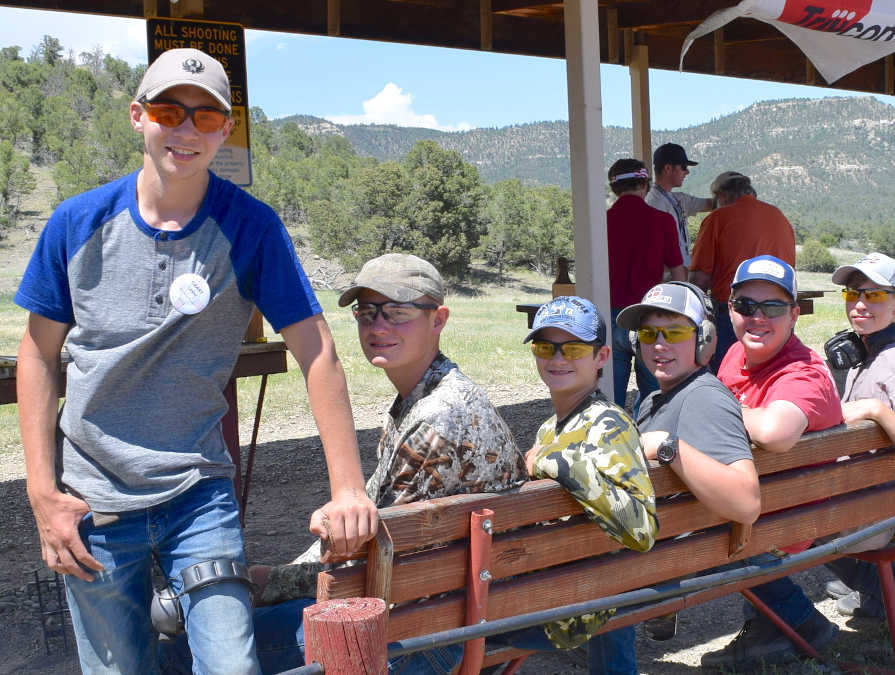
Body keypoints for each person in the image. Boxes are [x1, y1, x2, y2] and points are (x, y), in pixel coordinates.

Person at [14, 48, 376, 674]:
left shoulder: (250, 228)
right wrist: (43, 492)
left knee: (231, 664)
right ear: (138, 117)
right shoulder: (76, 224)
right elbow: (38, 355)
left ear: (225, 130)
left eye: (207, 118)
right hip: (93, 498)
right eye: (169, 111)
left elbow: (318, 352)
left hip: (197, 492)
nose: (186, 131)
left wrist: (347, 488)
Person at [221, 253, 528, 674]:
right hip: (455, 605)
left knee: (207, 646)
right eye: (367, 313)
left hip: (427, 629)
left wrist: (268, 581)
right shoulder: (431, 396)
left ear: (438, 319)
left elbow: (366, 560)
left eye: (398, 313)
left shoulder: (437, 418)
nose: (378, 326)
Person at [613, 283, 789, 668]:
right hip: (663, 550)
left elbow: (746, 502)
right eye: (647, 334)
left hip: (651, 560)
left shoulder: (704, 399)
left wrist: (668, 448)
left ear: (704, 340)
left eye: (674, 333)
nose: (659, 344)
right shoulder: (658, 396)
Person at [486, 295, 658, 674]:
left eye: (574, 348)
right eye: (546, 346)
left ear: (600, 357)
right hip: (570, 590)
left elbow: (642, 529)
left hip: (573, 606)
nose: (558, 358)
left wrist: (558, 464)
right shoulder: (552, 427)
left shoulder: (608, 425)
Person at [699, 255, 842, 670]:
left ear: (795, 314)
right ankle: (790, 623)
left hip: (781, 521)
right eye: (745, 306)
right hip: (769, 507)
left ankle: (613, 625)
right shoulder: (734, 357)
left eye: (773, 308)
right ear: (730, 310)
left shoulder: (803, 373)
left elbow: (774, 433)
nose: (757, 318)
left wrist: (706, 405)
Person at [821, 252, 895, 627]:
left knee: (771, 530)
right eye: (853, 294)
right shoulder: (867, 359)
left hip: (874, 516)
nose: (859, 304)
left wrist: (878, 410)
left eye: (874, 296)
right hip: (869, 502)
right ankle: (878, 590)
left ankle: (787, 622)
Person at [689, 172, 796, 372]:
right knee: (776, 375)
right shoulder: (780, 218)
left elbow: (699, 278)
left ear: (722, 196)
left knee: (729, 380)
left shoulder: (718, 218)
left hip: (736, 314)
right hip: (779, 313)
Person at [605, 158, 685, 408]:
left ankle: (609, 441)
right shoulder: (661, 221)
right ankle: (648, 441)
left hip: (609, 315)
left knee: (609, 395)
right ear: (644, 184)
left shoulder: (600, 222)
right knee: (654, 393)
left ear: (614, 188)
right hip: (648, 316)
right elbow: (678, 271)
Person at [645, 143, 714, 268]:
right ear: (668, 168)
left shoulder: (677, 199)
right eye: (683, 167)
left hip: (679, 274)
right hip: (668, 279)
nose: (687, 172)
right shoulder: (654, 203)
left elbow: (711, 204)